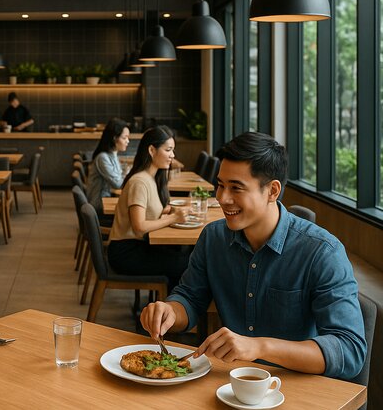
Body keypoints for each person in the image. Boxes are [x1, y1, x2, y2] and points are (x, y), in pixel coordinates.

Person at [140, 132, 366, 381]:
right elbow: (191, 298)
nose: (222, 198)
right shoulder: (213, 238)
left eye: (236, 187)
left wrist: (259, 347)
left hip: (295, 386)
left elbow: (349, 351)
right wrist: (171, 311)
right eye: (221, 185)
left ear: (273, 191)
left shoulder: (322, 252)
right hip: (230, 383)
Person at [108, 125, 191, 289]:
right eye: (168, 150)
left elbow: (150, 212)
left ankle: (169, 305)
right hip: (126, 253)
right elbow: (139, 227)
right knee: (186, 264)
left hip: (138, 247)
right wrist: (174, 217)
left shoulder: (151, 178)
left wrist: (170, 210)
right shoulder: (139, 182)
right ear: (152, 150)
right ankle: (172, 310)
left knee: (184, 256)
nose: (172, 156)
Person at [86, 118, 131, 223]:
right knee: (133, 216)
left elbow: (120, 176)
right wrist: (130, 175)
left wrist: (126, 174)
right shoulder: (103, 157)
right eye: (125, 138)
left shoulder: (112, 154)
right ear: (115, 138)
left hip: (106, 200)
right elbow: (118, 183)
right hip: (99, 207)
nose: (128, 141)